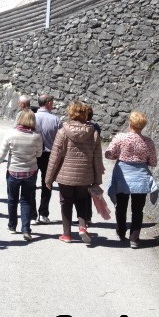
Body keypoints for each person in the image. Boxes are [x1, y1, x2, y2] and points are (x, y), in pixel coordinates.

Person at [45, 101, 104, 245]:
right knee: (82, 201)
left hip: (65, 175)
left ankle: (66, 235)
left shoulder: (63, 131)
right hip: (85, 175)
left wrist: (49, 178)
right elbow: (97, 158)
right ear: (85, 114)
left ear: (70, 113)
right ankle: (82, 226)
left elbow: (55, 157)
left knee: (66, 203)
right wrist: (97, 179)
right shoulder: (93, 133)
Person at [105, 110, 158, 248]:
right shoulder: (148, 142)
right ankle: (134, 238)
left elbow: (109, 155)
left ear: (130, 124)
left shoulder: (120, 138)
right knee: (138, 209)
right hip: (140, 178)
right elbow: (153, 162)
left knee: (121, 206)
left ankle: (121, 231)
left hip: (123, 176)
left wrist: (118, 154)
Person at [0, 110, 43, 242]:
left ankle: (12, 226)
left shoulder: (11, 134)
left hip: (13, 171)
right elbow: (39, 154)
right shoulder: (37, 136)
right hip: (30, 172)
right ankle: (26, 229)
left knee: (12, 199)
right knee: (26, 201)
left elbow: (2, 153)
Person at [33, 94, 62, 225]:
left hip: (33, 153)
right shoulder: (56, 120)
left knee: (31, 184)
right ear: (49, 103)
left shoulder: (31, 117)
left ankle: (32, 215)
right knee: (47, 184)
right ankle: (43, 213)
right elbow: (61, 140)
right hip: (49, 155)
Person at [84, 104, 102, 226]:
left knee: (81, 191)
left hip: (83, 161)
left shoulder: (83, 127)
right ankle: (87, 217)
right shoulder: (96, 127)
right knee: (88, 191)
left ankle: (83, 216)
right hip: (92, 161)